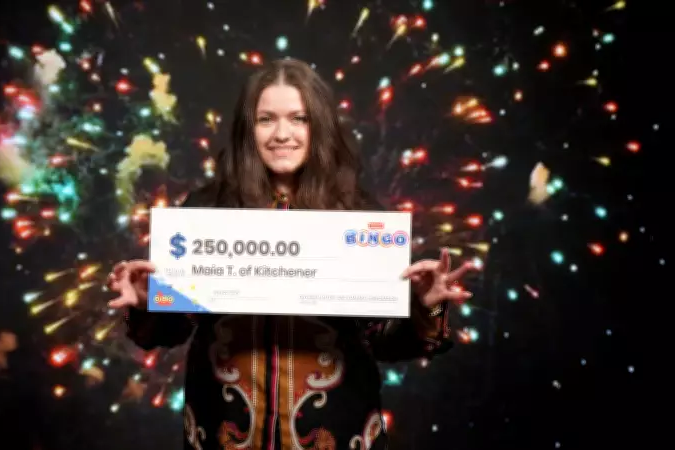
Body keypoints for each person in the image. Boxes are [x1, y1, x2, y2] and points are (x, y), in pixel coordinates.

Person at [107, 59, 474, 450]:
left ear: (320, 126)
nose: (282, 134)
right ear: (248, 128)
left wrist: (423, 305)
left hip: (335, 432)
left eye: (299, 119)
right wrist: (146, 301)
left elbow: (386, 342)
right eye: (266, 120)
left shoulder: (360, 216)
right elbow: (173, 328)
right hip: (224, 432)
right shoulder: (206, 210)